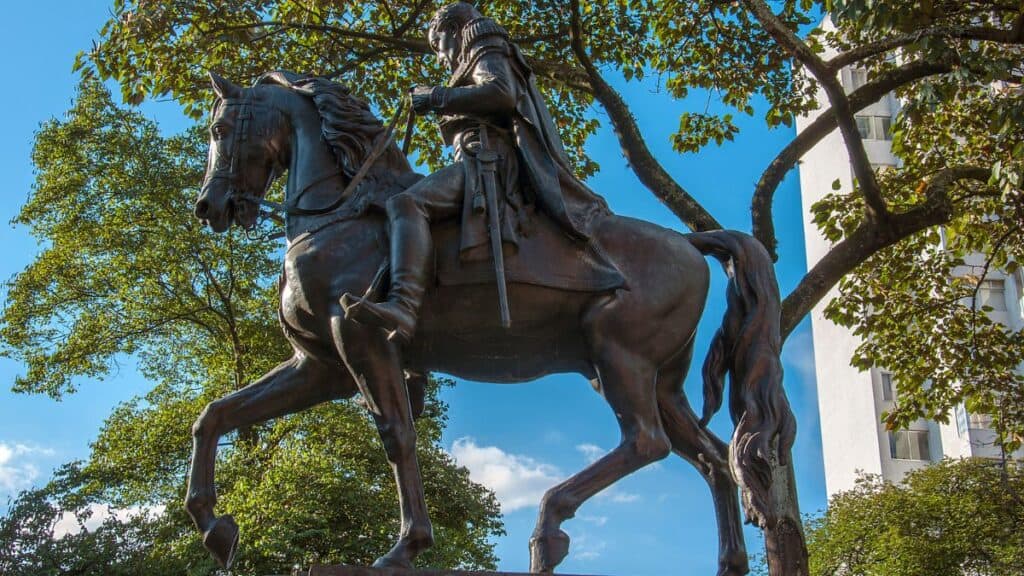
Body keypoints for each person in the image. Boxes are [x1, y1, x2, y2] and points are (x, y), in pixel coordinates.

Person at [342, 1, 621, 342]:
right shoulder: (477, 45)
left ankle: (404, 305)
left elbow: (500, 93)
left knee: (406, 204)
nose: (441, 58)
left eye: (438, 45)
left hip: (489, 160)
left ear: (453, 30)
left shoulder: (481, 34)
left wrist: (436, 96)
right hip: (477, 157)